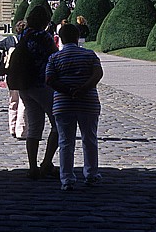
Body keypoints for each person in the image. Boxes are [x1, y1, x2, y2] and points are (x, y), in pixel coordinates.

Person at [46, 24, 104, 191]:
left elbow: (49, 80)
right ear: (78, 37)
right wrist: (84, 88)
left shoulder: (54, 58)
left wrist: (67, 90)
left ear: (61, 38)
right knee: (90, 139)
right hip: (88, 102)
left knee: (65, 142)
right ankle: (91, 174)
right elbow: (98, 74)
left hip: (63, 104)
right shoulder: (89, 54)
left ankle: (67, 178)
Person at [9, 5, 60, 180]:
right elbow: (54, 58)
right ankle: (46, 162)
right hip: (42, 84)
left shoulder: (24, 34)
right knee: (58, 124)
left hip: (25, 85)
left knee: (35, 126)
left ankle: (32, 166)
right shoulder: (44, 36)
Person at [0, 20, 27, 139]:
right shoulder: (28, 41)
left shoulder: (9, 40)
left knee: (13, 101)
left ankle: (12, 127)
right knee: (23, 102)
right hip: (24, 74)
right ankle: (21, 130)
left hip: (10, 74)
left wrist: (3, 59)